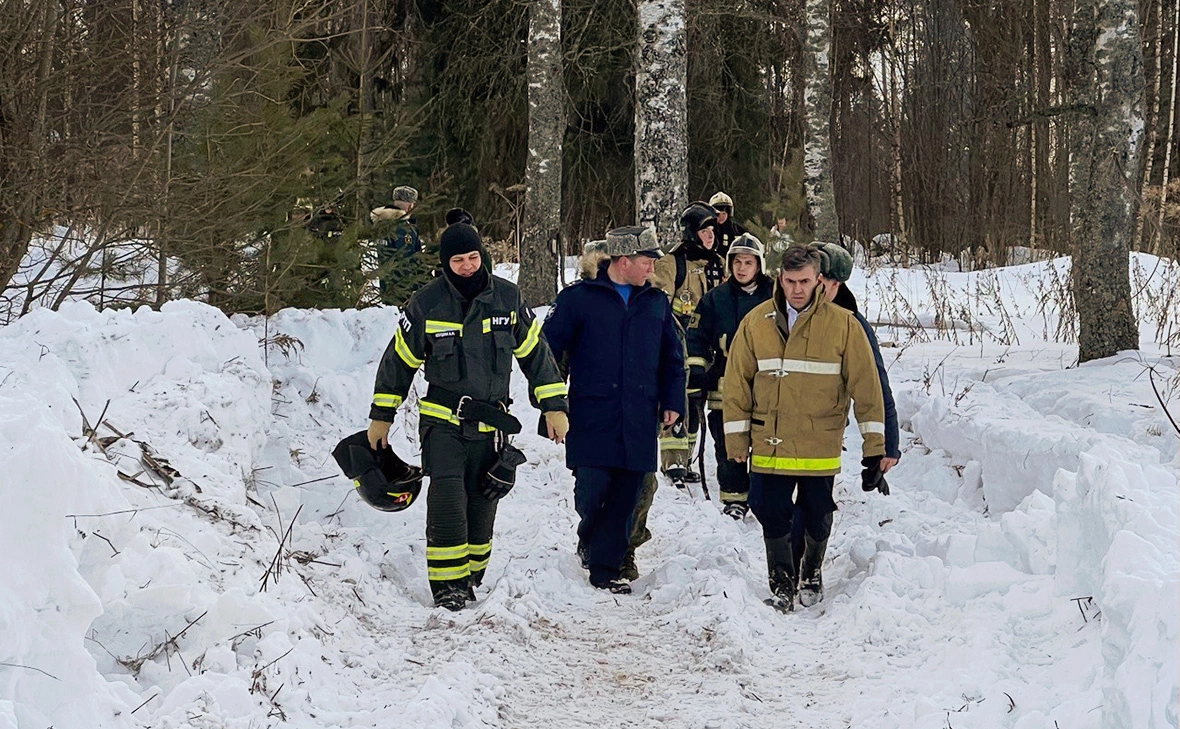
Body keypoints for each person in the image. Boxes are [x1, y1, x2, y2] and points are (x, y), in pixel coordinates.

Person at [367, 222, 570, 611]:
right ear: (446, 263)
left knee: (482, 504)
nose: (466, 266)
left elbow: (537, 356)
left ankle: (472, 575)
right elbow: (398, 363)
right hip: (442, 423)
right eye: (458, 260)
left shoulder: (508, 299)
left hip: (492, 427)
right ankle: (447, 587)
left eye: (473, 257)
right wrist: (382, 416)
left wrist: (555, 406)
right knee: (447, 500)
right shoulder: (426, 304)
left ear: (483, 257)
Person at [722, 245, 886, 613]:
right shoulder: (755, 322)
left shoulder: (844, 325)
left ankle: (810, 572)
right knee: (769, 508)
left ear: (819, 281)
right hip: (770, 439)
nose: (797, 289)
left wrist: (875, 443)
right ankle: (781, 583)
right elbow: (736, 384)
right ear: (780, 278)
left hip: (818, 441)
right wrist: (736, 439)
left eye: (805, 282)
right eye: (791, 281)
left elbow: (867, 387)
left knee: (816, 512)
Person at [542, 226, 686, 594]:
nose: (653, 269)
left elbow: (672, 357)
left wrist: (673, 402)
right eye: (647, 262)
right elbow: (547, 354)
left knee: (630, 493)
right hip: (591, 415)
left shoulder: (655, 302)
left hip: (639, 415)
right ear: (624, 262)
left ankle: (609, 566)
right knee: (592, 491)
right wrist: (551, 405)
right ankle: (592, 541)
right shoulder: (577, 300)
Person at [685, 233, 773, 519]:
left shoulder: (776, 296)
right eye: (737, 262)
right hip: (724, 386)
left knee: (764, 443)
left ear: (759, 265)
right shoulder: (714, 299)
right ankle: (734, 499)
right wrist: (697, 373)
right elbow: (695, 337)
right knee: (727, 444)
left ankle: (763, 499)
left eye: (748, 262)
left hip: (767, 387)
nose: (742, 268)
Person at [651, 201, 725, 489]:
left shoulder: (718, 263)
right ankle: (674, 461)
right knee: (684, 398)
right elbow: (657, 303)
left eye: (713, 231)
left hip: (711, 343)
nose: (710, 236)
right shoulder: (672, 263)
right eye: (705, 230)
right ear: (692, 233)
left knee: (704, 401)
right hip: (681, 342)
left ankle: (689, 456)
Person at [372, 185, 422, 304]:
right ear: (410, 205)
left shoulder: (381, 224)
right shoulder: (403, 228)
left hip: (386, 285)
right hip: (403, 289)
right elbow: (407, 259)